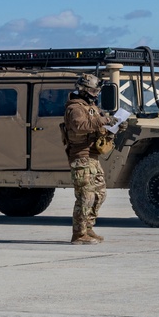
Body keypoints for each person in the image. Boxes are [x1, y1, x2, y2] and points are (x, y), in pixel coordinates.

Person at [63, 73, 117, 245]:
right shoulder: (75, 108)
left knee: (99, 194)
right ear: (84, 90)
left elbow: (99, 127)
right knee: (85, 196)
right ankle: (78, 234)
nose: (95, 94)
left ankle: (88, 227)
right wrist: (104, 120)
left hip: (92, 157)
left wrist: (115, 126)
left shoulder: (92, 107)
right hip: (81, 157)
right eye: (93, 90)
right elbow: (80, 126)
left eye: (97, 91)